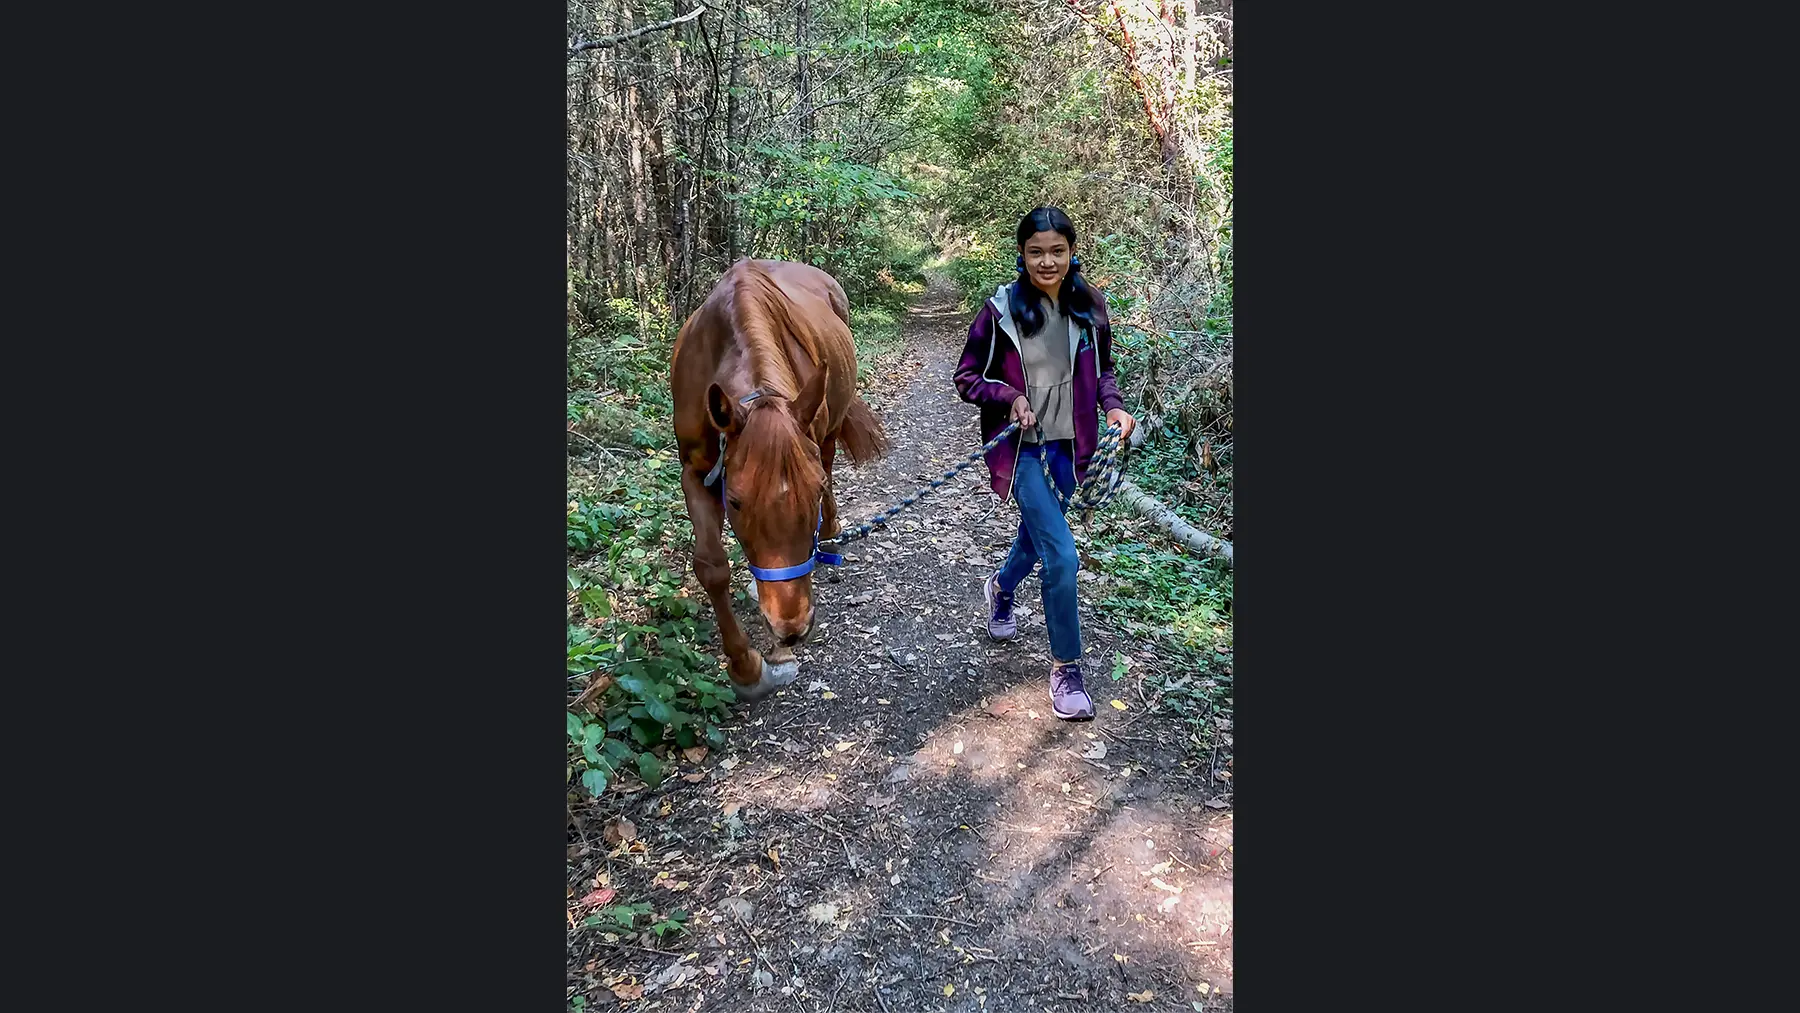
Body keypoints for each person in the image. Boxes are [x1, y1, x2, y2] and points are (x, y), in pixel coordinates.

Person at [953, 207, 1137, 721]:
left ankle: (1001, 588)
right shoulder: (1000, 311)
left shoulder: (1091, 308)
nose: (1047, 261)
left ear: (1071, 252)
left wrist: (1115, 407)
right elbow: (967, 378)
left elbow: (1104, 373)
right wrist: (1009, 395)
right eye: (1036, 252)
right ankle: (1066, 669)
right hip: (1022, 449)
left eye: (1057, 250)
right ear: (1022, 254)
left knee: (1036, 538)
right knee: (1063, 556)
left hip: (1069, 448)